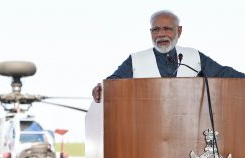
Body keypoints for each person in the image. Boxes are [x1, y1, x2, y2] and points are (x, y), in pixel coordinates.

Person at [92, 10, 245, 103]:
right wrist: (101, 88)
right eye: (155, 29)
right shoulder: (135, 60)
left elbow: (224, 74)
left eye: (167, 29)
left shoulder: (194, 57)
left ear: (179, 31)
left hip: (190, 131)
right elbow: (113, 83)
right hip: (146, 132)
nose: (161, 34)